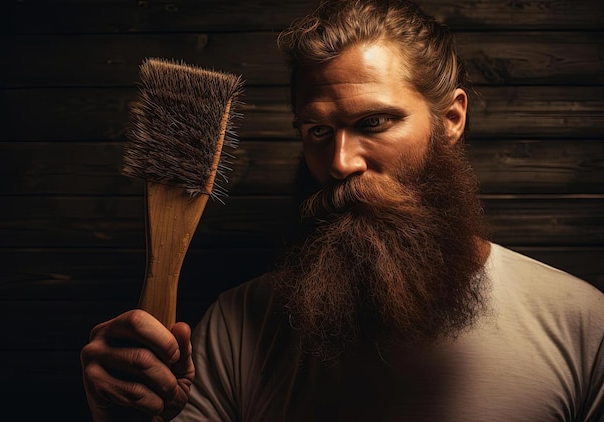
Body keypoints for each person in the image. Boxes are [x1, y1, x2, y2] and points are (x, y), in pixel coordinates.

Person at [80, 0, 604, 420]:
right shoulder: (237, 327)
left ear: (450, 118)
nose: (340, 162)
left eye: (374, 123)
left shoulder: (583, 326)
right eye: (318, 131)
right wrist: (122, 413)